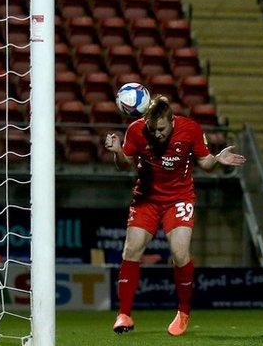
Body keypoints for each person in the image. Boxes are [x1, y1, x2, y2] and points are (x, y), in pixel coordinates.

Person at [104, 95, 246, 336]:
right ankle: (124, 314)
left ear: (172, 121)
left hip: (179, 198)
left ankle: (183, 312)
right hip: (146, 199)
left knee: (180, 254)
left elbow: (206, 165)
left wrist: (218, 159)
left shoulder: (190, 129)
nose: (157, 134)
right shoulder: (136, 130)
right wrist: (117, 152)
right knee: (131, 250)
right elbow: (125, 164)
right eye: (152, 129)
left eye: (161, 129)